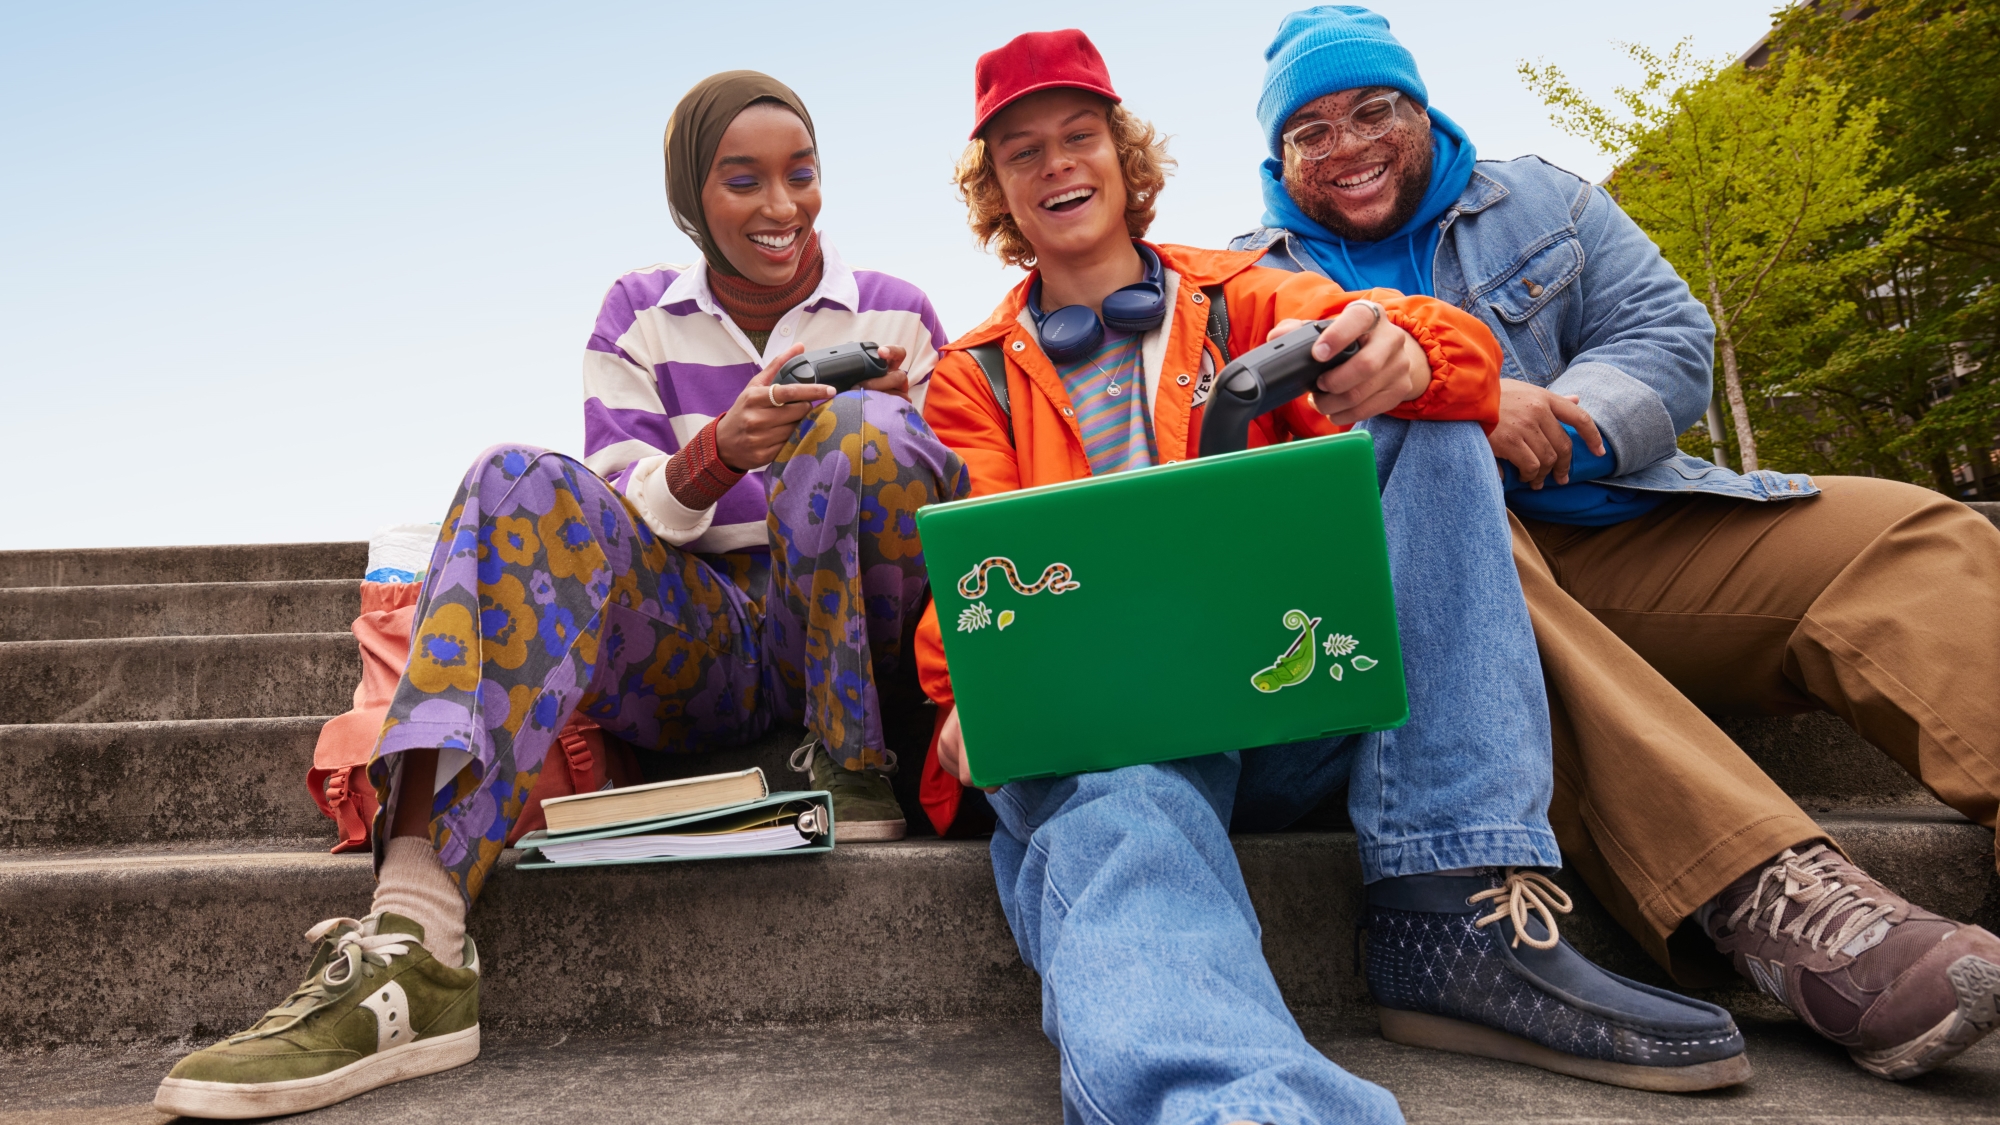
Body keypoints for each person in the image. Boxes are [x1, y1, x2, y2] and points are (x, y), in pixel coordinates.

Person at [918, 29, 1750, 1123]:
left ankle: (1453, 895)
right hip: (1113, 737)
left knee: (1430, 424)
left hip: (1285, 699)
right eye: (1022, 153)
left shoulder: (1246, 295)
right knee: (1115, 816)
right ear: (1000, 195)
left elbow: (1435, 343)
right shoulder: (965, 377)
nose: (1057, 164)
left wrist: (1412, 352)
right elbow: (972, 571)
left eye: (1080, 137)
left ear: (1126, 161)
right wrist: (962, 700)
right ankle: (1236, 1106)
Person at [153, 71, 970, 1119]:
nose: (781, 207)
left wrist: (884, 445)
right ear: (691, 198)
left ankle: (855, 765)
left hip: (857, 641)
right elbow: (623, 503)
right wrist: (718, 454)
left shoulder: (896, 307)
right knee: (514, 479)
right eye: (743, 180)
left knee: (867, 432)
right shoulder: (638, 312)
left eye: (800, 176)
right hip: (703, 633)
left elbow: (965, 502)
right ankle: (416, 942)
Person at [1232, 4, 2000, 1082]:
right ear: (1277, 160)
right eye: (1309, 132)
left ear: (1421, 110)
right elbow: (1264, 467)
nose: (1347, 144)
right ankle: (1777, 904)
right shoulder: (1238, 279)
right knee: (1457, 543)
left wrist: (1572, 416)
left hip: (1626, 521)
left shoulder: (1541, 199)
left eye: (1373, 110)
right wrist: (1463, 405)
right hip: (1441, 585)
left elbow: (1666, 334)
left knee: (1909, 529)